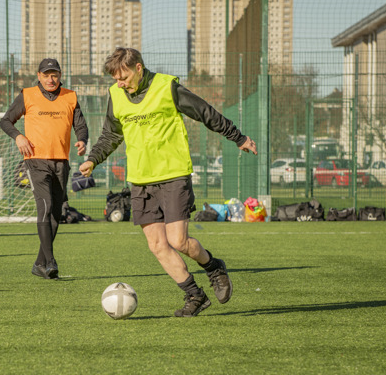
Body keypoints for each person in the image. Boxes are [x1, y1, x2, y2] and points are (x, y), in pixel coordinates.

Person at [79, 48, 257, 316]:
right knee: (157, 245)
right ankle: (195, 295)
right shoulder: (116, 95)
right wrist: (93, 159)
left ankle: (213, 266)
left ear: (138, 68)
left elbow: (204, 112)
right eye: (115, 78)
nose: (120, 83)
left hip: (173, 174)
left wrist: (238, 137)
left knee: (179, 241)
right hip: (140, 180)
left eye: (123, 76)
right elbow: (111, 135)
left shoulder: (166, 86)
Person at [1, 58, 89, 280]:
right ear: (38, 76)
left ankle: (40, 263)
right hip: (35, 160)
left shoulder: (70, 96)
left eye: (55, 75)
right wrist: (18, 136)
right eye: (47, 75)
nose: (51, 79)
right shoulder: (27, 95)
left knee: (57, 213)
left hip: (61, 161)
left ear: (60, 76)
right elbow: (5, 121)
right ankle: (50, 261)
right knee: (46, 207)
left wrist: (82, 139)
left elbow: (80, 124)